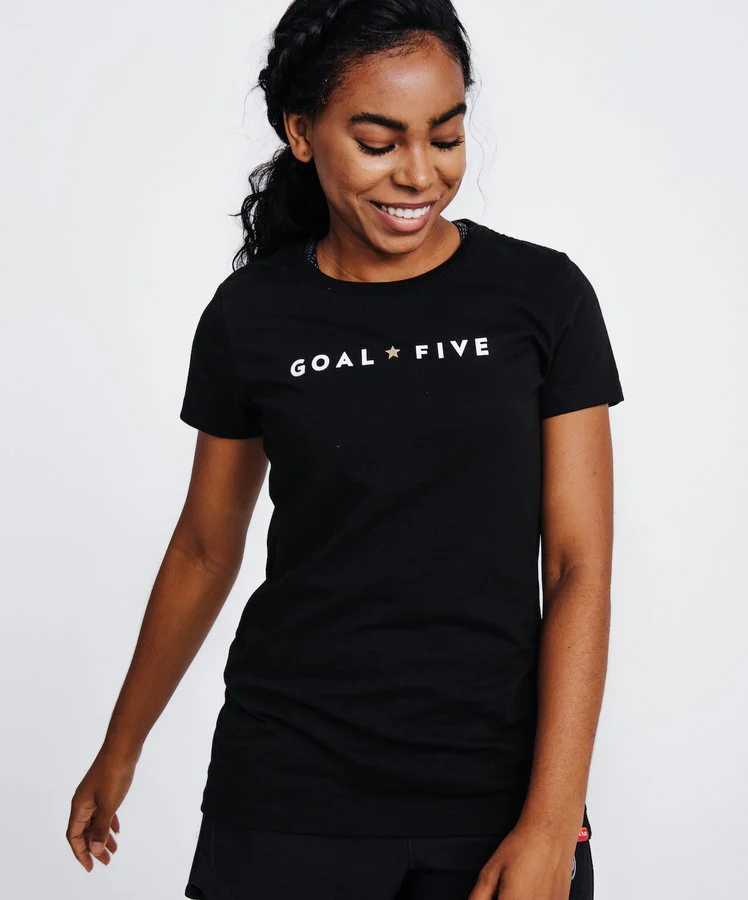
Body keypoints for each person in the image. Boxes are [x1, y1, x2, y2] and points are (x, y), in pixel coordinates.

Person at [66, 1, 624, 898]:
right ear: (301, 131)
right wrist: (121, 746)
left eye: (445, 137)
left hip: (488, 791)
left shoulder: (542, 297)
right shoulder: (250, 317)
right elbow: (206, 547)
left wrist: (554, 820)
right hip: (285, 786)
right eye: (378, 141)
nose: (418, 174)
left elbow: (577, 565)